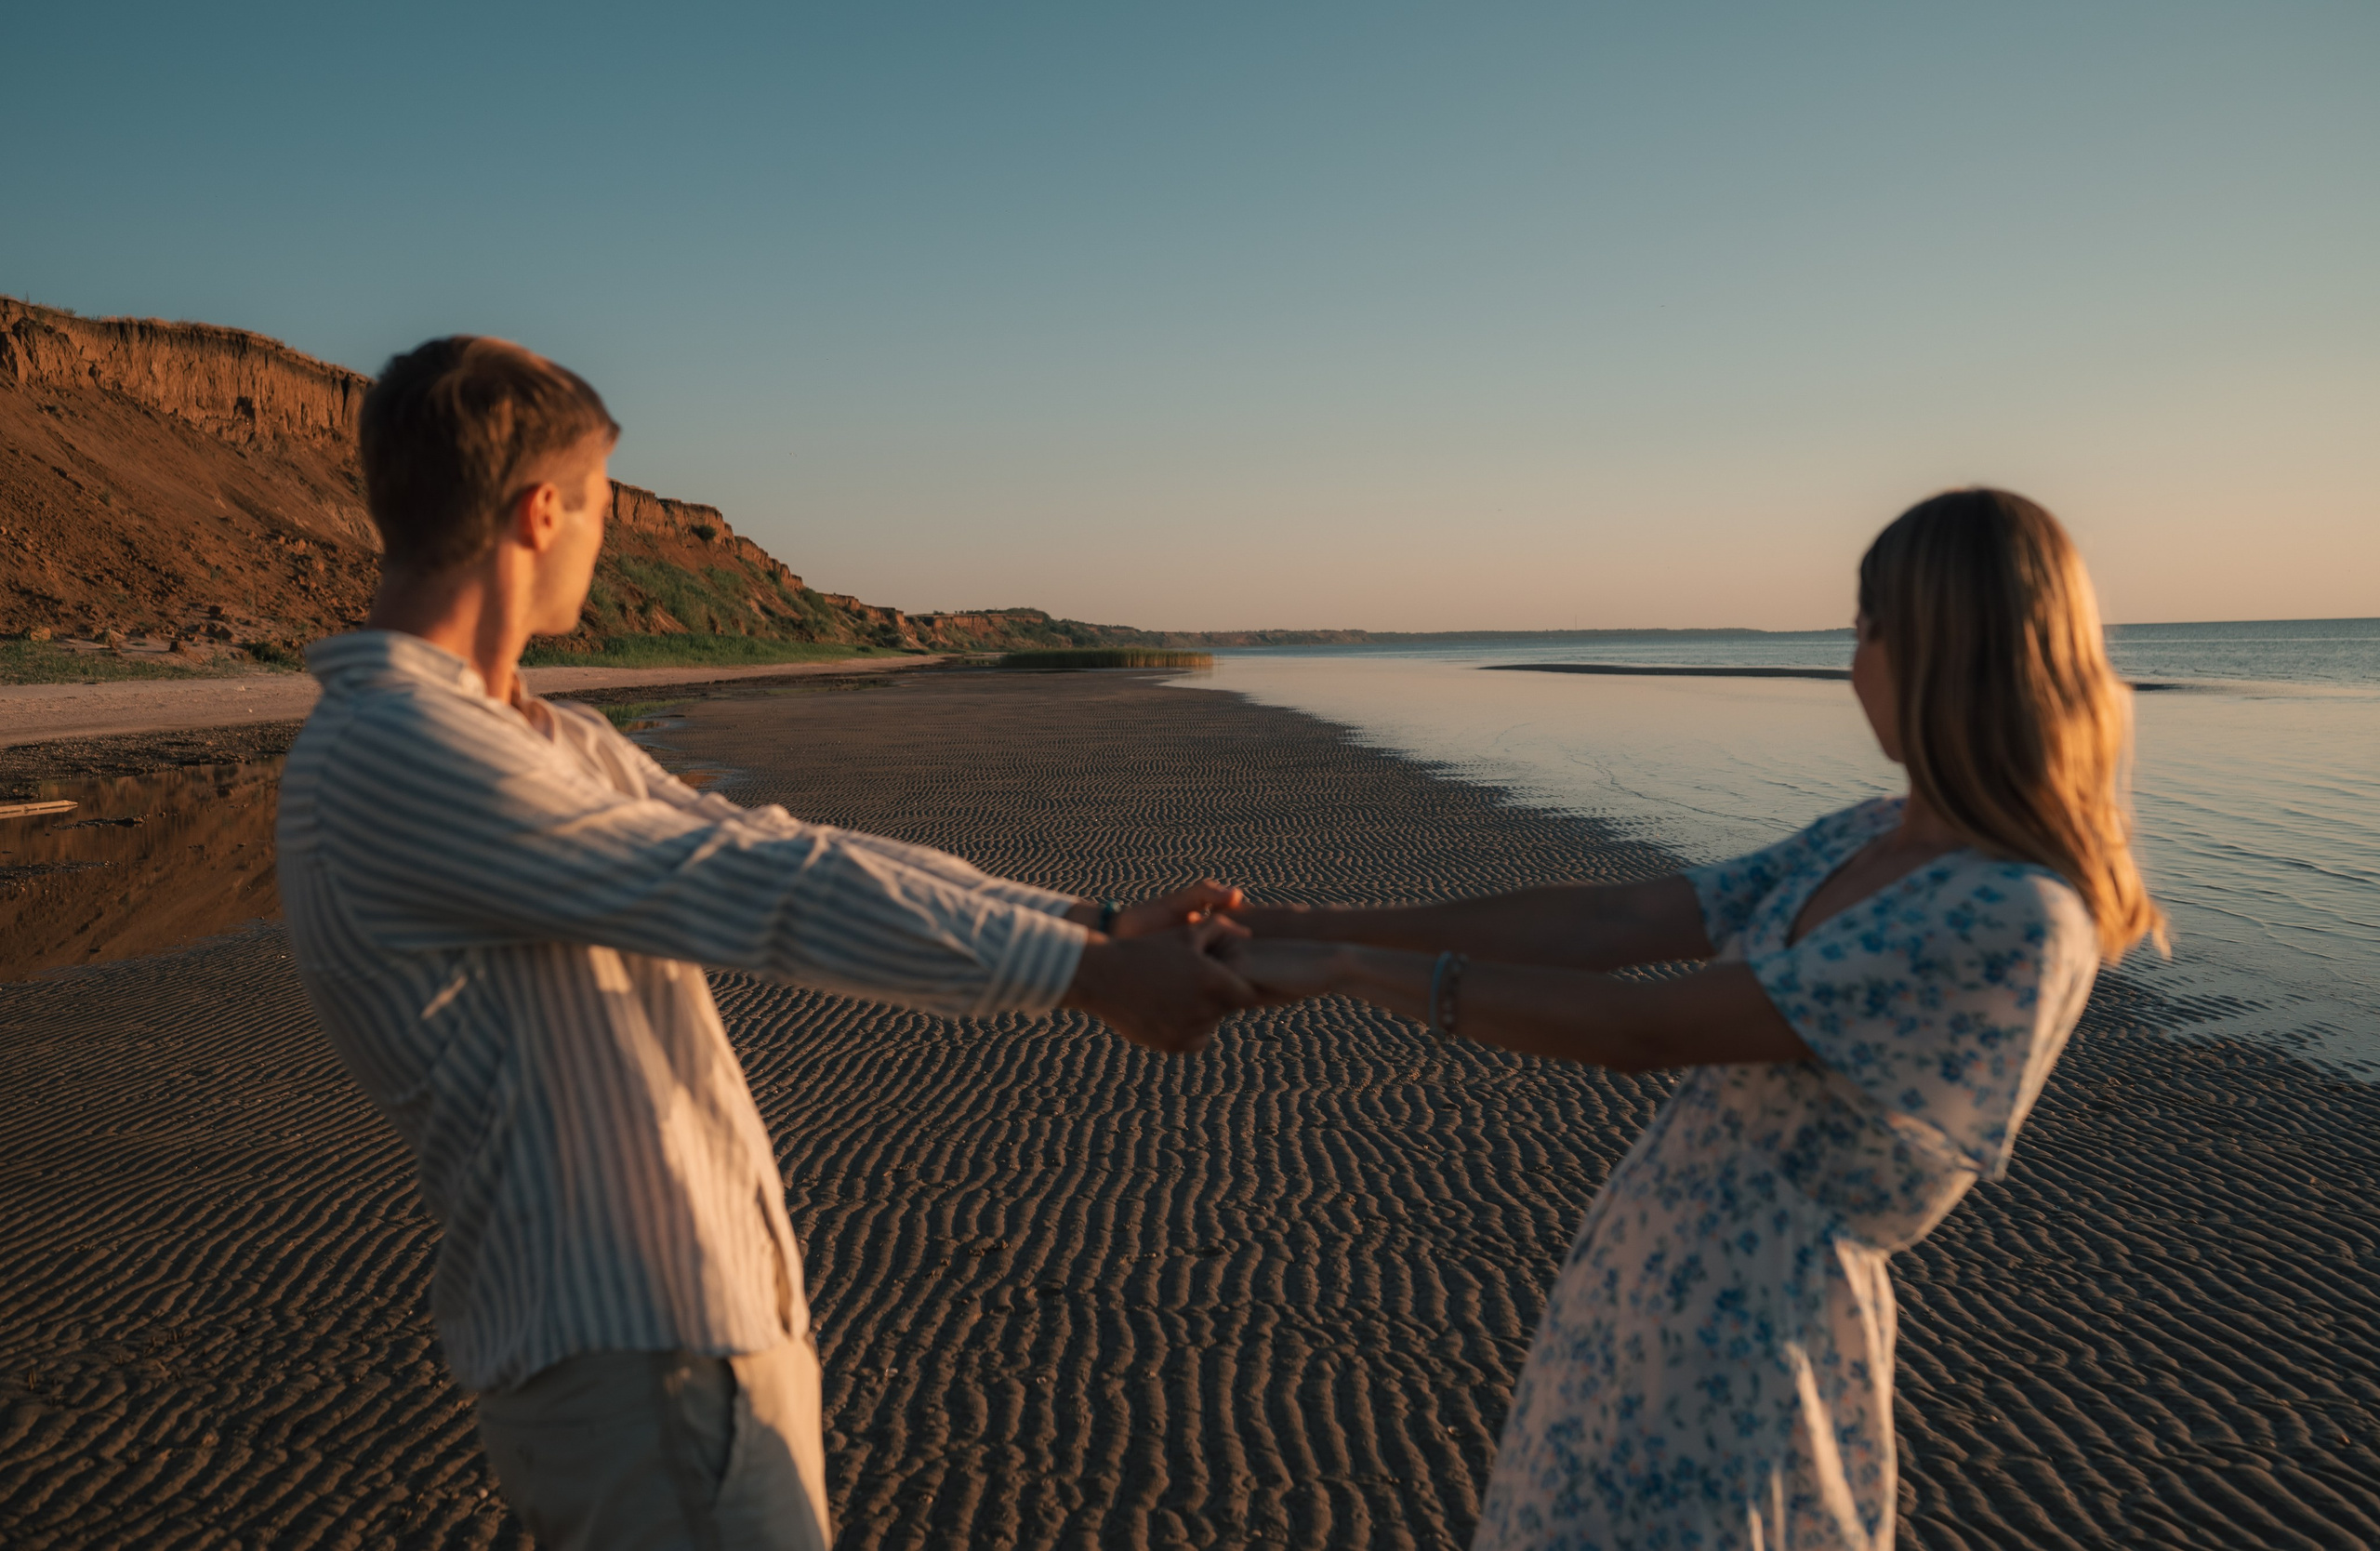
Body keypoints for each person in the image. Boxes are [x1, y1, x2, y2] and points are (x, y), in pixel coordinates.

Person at [275, 336, 1257, 1551]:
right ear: (540, 513)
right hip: (632, 1353)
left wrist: (1086, 922)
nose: (603, 542)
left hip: (692, 1335)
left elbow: (765, 835)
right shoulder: (398, 752)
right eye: (599, 512)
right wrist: (1088, 978)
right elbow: (753, 887)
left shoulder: (538, 734)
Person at [1226, 488, 2165, 1550]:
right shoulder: (1865, 836)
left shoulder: (2009, 912)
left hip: (1748, 1350)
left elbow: (1650, 1026)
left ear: (1936, 645)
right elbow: (1617, 916)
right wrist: (1291, 921)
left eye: (1864, 627)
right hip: (1637, 1303)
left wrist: (1347, 967)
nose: (1852, 662)